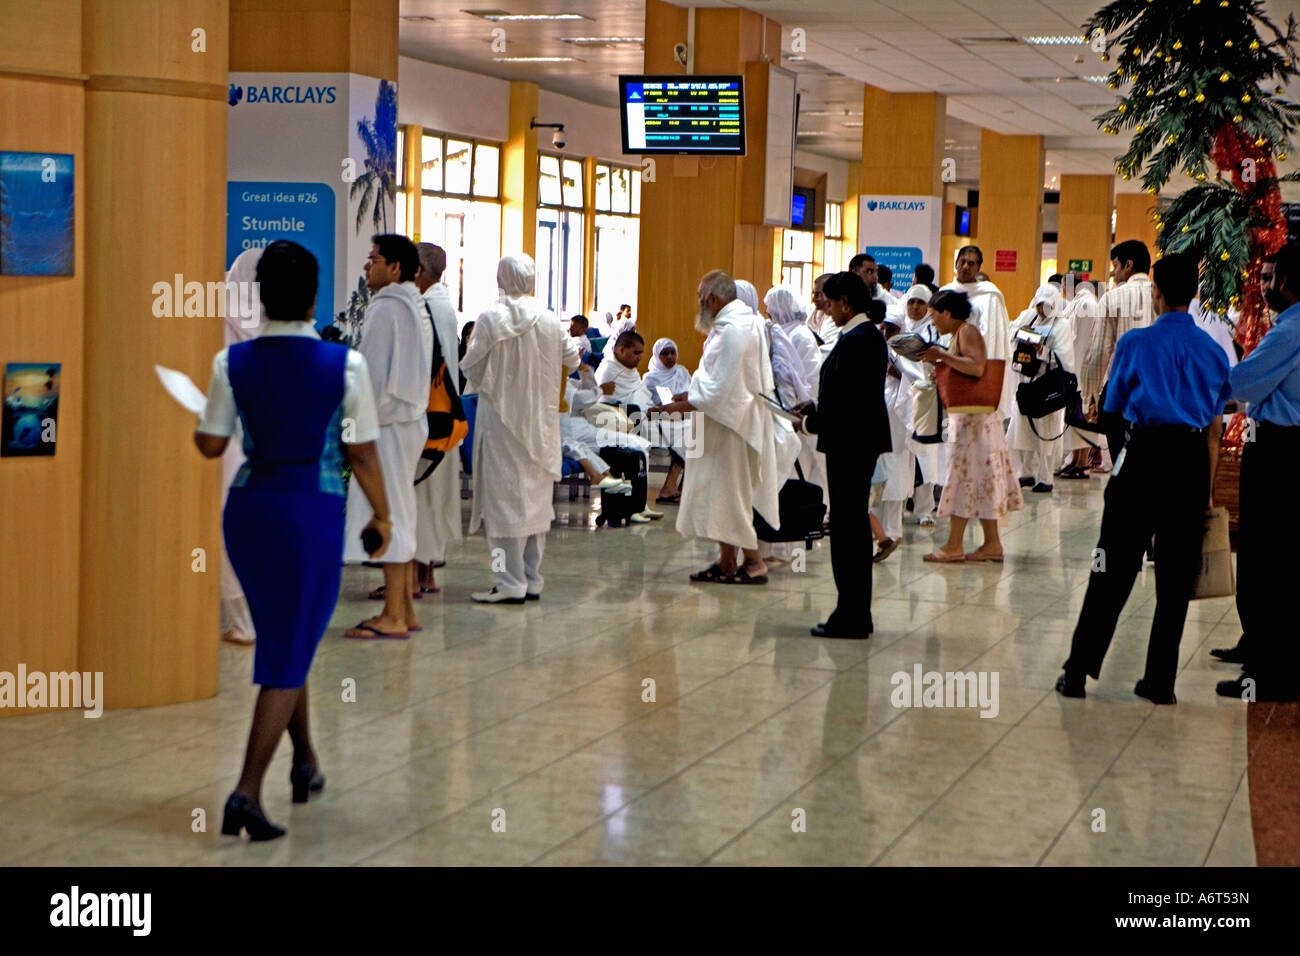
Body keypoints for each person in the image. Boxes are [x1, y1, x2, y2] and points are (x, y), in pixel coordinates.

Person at [194, 240, 392, 840]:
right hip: (310, 513)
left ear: (259, 296)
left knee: (286, 634)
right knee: (287, 643)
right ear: (312, 294)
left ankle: (305, 761)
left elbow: (210, 443)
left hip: (249, 512)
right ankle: (246, 793)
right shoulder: (344, 365)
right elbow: (359, 451)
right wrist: (383, 516)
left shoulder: (234, 363)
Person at [1055, 252, 1232, 705]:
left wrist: (1121, 462)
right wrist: (1205, 490)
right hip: (1190, 463)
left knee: (1109, 569)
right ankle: (1160, 683)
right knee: (1175, 581)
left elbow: (1112, 412)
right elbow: (1214, 428)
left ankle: (1077, 672)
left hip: (1141, 459)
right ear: (1193, 295)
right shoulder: (1213, 351)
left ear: (1156, 292)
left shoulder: (1134, 344)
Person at [651, 270, 798, 584]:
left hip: (732, 425)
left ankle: (755, 563)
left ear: (712, 299)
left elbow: (719, 389)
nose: (699, 303)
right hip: (728, 421)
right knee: (719, 495)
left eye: (700, 297)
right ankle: (727, 561)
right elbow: (721, 379)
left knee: (731, 497)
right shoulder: (744, 322)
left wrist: (680, 406)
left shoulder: (732, 330)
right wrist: (689, 395)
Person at [463, 253, 582, 602]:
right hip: (541, 424)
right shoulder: (549, 321)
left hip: (501, 424)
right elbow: (573, 361)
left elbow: (471, 367)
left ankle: (506, 582)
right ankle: (531, 578)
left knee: (501, 510)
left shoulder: (489, 319)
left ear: (502, 278)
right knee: (535, 505)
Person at [1217, 243, 1300, 701]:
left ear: (1287, 281)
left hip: (1280, 450)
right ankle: (1260, 647)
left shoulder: (1288, 331)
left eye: (1270, 279)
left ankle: (1269, 673)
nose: (1265, 287)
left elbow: (1243, 383)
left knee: (1269, 558)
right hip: (1280, 447)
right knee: (1275, 555)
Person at [342, 234, 430, 638]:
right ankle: (406, 609)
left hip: (387, 424)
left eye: (373, 259)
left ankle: (393, 614)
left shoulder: (386, 308)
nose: (367, 266)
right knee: (401, 509)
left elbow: (371, 377)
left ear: (395, 268)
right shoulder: (414, 306)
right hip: (409, 421)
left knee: (388, 512)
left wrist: (355, 422)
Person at [795, 271, 890, 637]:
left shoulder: (860, 339)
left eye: (832, 302)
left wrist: (810, 424)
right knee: (850, 527)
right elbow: (840, 393)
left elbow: (850, 403)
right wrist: (814, 407)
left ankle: (851, 616)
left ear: (846, 304)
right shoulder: (859, 336)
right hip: (852, 441)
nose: (828, 308)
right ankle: (853, 612)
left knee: (849, 531)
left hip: (851, 444)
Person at [919, 290, 1023, 563]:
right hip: (973, 422)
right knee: (979, 480)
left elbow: (977, 368)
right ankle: (992, 543)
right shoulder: (959, 334)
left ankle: (954, 545)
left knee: (962, 478)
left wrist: (941, 356)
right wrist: (943, 363)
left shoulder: (967, 331)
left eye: (933, 316)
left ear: (947, 313)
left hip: (973, 423)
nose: (933, 323)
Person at [217, 247, 265, 647]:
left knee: (227, 529)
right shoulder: (278, 319)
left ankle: (242, 622)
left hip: (229, 435)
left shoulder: (221, 308)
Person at [411, 242, 464, 596]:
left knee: (420, 496)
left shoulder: (425, 306)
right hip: (444, 417)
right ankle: (426, 574)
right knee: (433, 496)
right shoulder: (442, 304)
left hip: (428, 417)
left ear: (418, 270)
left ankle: (415, 578)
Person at [1006, 283, 1072, 493]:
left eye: (1046, 306)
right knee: (1021, 429)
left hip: (1046, 385)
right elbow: (1011, 329)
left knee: (1045, 433)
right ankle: (1024, 473)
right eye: (1039, 305)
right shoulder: (1030, 317)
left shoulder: (1062, 326)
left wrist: (1042, 350)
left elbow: (1064, 357)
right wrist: (1022, 334)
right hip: (1026, 382)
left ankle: (1046, 477)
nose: (1042, 310)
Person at [1080, 239, 1155, 418]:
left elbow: (1099, 351)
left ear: (1128, 265)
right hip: (1158, 392)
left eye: (1116, 266)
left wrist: (1090, 395)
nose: (1113, 273)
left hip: (1123, 391)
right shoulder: (1162, 296)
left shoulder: (1112, 298)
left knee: (1122, 445)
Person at [940, 246, 1016, 421]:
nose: (966, 266)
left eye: (971, 263)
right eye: (963, 262)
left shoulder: (989, 296)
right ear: (956, 263)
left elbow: (993, 337)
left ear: (978, 268)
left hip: (978, 365)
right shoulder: (944, 293)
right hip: (949, 362)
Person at [594, 330, 661, 522]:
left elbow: (640, 394)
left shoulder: (629, 369)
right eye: (636, 353)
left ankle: (640, 504)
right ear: (622, 350)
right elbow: (602, 403)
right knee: (638, 447)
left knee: (645, 447)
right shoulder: (609, 369)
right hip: (611, 423)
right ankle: (632, 507)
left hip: (634, 418)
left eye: (641, 353)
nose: (640, 358)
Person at [897, 285, 945, 526]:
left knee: (924, 454)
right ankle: (901, 501)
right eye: (911, 302)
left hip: (924, 399)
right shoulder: (899, 326)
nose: (915, 307)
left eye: (920, 303)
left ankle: (925, 509)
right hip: (899, 398)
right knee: (902, 454)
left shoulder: (934, 330)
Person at [1057, 276, 1102, 480]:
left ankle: (1083, 462)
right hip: (1075, 367)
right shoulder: (1078, 303)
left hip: (1083, 367)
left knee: (1083, 415)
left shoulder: (1087, 303)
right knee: (1075, 416)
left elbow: (1082, 340)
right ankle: (1076, 460)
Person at [643, 337, 692, 504]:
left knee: (698, 427)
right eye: (665, 353)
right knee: (690, 434)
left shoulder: (682, 371)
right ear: (657, 355)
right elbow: (648, 406)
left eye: (673, 353)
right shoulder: (650, 379)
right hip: (659, 417)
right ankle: (670, 487)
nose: (670, 357)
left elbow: (692, 396)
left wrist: (683, 399)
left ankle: (680, 488)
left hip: (682, 414)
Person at [807, 272, 836, 346]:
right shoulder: (813, 312)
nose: (814, 299)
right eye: (814, 294)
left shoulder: (838, 319)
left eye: (817, 294)